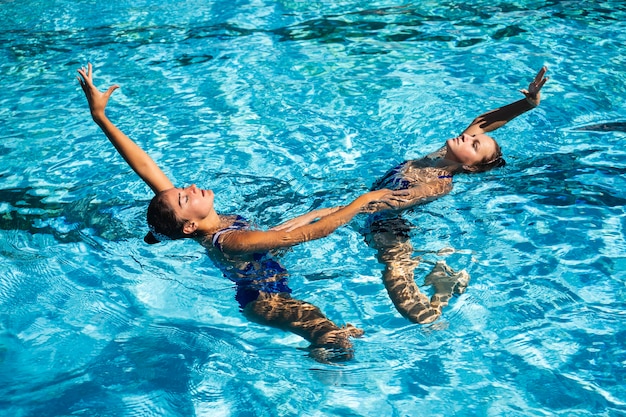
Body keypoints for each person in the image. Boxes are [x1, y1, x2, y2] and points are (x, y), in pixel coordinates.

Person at [77, 63, 402, 362]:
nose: (189, 186)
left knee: (329, 328)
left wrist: (100, 117)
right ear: (189, 225)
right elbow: (298, 236)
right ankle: (321, 372)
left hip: (268, 278)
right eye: (184, 197)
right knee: (332, 338)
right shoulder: (230, 240)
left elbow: (146, 166)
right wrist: (361, 202)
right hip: (263, 299)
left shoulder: (201, 223)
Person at [364, 67, 548, 324]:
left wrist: (345, 211)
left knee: (411, 306)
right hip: (373, 210)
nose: (468, 137)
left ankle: (441, 297)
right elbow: (484, 122)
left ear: (470, 166)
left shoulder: (440, 184)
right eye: (472, 138)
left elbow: (396, 201)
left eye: (474, 145)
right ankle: (444, 280)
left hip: (388, 228)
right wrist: (528, 103)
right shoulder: (439, 155)